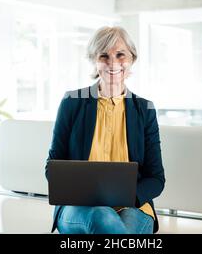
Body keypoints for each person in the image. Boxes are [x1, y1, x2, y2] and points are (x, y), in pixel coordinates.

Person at [45, 26, 165, 234]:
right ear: (94, 60)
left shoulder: (145, 109)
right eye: (104, 56)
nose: (113, 63)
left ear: (132, 59)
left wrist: (130, 198)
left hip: (134, 207)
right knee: (103, 217)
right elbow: (52, 168)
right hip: (79, 208)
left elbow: (156, 179)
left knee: (110, 225)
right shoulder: (72, 103)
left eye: (120, 55)